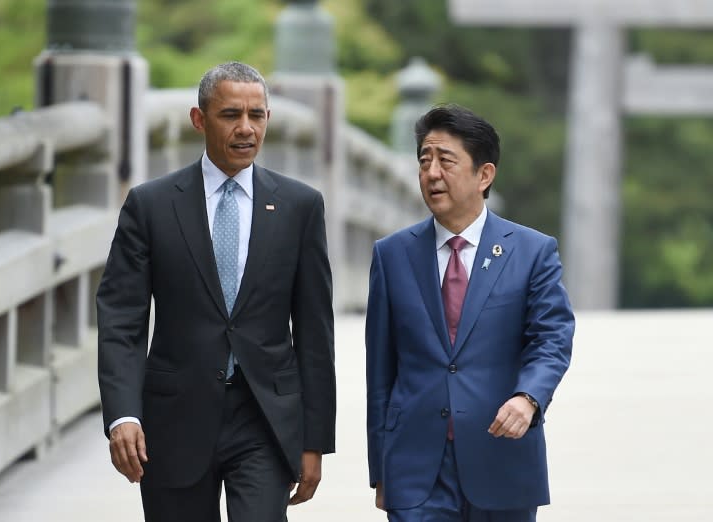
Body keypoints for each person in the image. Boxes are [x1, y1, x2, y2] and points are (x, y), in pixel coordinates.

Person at [97, 61, 336, 522]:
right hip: (174, 419)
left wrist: (314, 441)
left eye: (258, 115)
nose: (246, 129)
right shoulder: (151, 205)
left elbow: (314, 333)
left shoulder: (300, 206)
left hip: (264, 417)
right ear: (199, 119)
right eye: (230, 115)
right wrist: (123, 415)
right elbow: (121, 320)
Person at [365, 104, 574, 522]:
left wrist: (528, 397)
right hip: (417, 469)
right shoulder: (392, 255)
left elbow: (551, 339)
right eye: (424, 161)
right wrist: (381, 468)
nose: (431, 173)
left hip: (502, 455)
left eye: (445, 160)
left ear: (484, 175)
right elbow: (380, 372)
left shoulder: (532, 251)